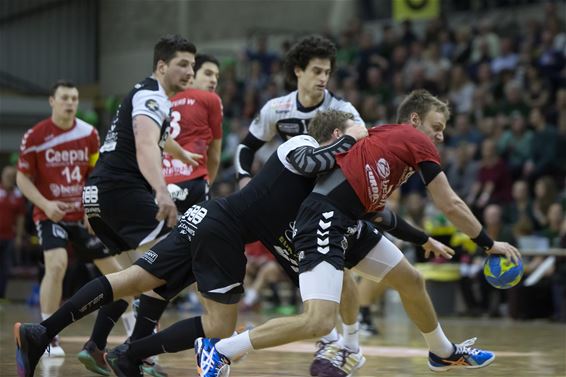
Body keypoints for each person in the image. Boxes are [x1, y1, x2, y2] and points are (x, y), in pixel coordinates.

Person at [11, 108, 369, 377]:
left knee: (132, 281)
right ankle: (130, 355)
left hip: (207, 219)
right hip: (222, 229)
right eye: (347, 146)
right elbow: (314, 159)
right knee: (219, 327)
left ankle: (41, 332)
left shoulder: (315, 184)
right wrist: (353, 138)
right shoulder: (303, 143)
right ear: (335, 134)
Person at [196, 90, 521, 376]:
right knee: (318, 322)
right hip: (322, 219)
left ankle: (442, 352)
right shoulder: (413, 140)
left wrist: (422, 239)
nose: (439, 136)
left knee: (411, 280)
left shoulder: (387, 146)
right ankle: (222, 349)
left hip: (350, 220)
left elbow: (376, 212)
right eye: (436, 127)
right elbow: (449, 203)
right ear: (414, 119)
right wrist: (489, 244)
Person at [72, 35, 201, 377]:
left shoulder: (143, 93)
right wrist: (162, 192)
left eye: (193, 65)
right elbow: (145, 145)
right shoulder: (153, 96)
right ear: (161, 66)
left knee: (131, 281)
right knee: (168, 269)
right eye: (183, 64)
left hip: (100, 194)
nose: (191, 71)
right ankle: (136, 356)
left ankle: (95, 346)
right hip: (123, 193)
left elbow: (155, 137)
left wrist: (181, 154)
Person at [16, 80, 113, 358]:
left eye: (74, 98)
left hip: (82, 215)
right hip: (50, 215)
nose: (70, 102)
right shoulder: (35, 136)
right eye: (65, 98)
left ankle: (134, 332)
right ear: (52, 101)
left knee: (118, 272)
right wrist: (46, 204)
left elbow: (95, 176)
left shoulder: (90, 134)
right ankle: (47, 335)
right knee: (56, 265)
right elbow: (23, 177)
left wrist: (89, 209)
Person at [235, 34, 364, 189]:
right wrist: (243, 178)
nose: (323, 78)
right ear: (298, 70)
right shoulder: (276, 108)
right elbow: (246, 147)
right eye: (317, 71)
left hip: (331, 190)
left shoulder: (343, 110)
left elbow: (364, 149)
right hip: (291, 189)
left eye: (327, 72)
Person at [164, 53, 223, 213]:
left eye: (217, 76)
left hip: (161, 184)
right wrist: (206, 183)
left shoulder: (163, 101)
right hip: (193, 180)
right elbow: (215, 156)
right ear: (191, 74)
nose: (214, 80)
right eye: (208, 74)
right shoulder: (211, 100)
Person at [0, 165, 26, 299]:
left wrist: (18, 237)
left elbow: (20, 218)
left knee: (5, 268)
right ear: (2, 176)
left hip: (9, 237)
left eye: (12, 176)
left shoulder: (17, 194)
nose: (10, 178)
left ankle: (1, 297)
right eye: (8, 176)